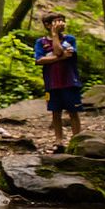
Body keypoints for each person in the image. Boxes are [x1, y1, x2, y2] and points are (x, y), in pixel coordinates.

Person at [34, 13, 84, 152]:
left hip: (70, 81)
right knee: (55, 112)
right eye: (57, 22)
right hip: (52, 83)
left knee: (73, 111)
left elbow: (61, 52)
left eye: (62, 21)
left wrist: (55, 39)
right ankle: (59, 141)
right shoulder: (41, 42)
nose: (61, 23)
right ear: (48, 25)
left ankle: (77, 140)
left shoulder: (70, 39)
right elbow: (39, 60)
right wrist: (59, 57)